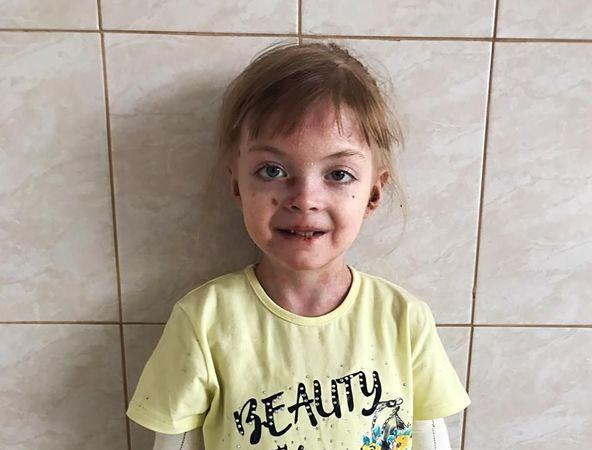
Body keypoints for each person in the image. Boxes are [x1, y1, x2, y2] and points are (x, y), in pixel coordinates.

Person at [126, 41, 471, 450]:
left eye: (338, 174)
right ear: (237, 186)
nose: (305, 199)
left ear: (373, 195)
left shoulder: (404, 320)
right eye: (272, 170)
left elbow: (432, 438)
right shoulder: (203, 322)